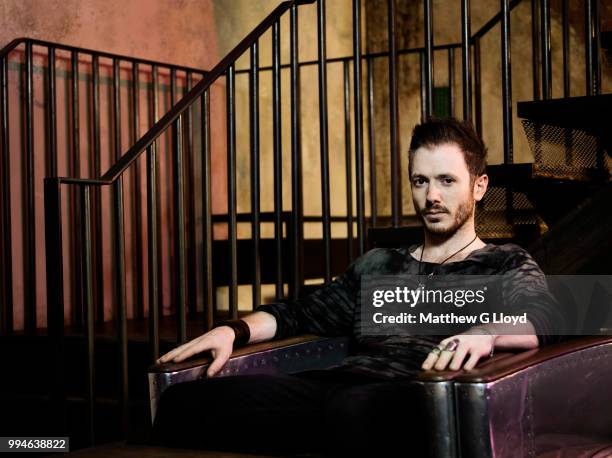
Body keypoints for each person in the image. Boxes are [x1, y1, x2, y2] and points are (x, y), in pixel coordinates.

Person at [150, 118, 563, 456]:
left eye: (446, 181)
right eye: (420, 181)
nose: (431, 196)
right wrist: (232, 330)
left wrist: (486, 333)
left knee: (353, 412)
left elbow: (545, 317)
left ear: (479, 186)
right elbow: (298, 312)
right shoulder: (380, 263)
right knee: (181, 404)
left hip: (418, 394)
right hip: (335, 389)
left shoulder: (503, 261)